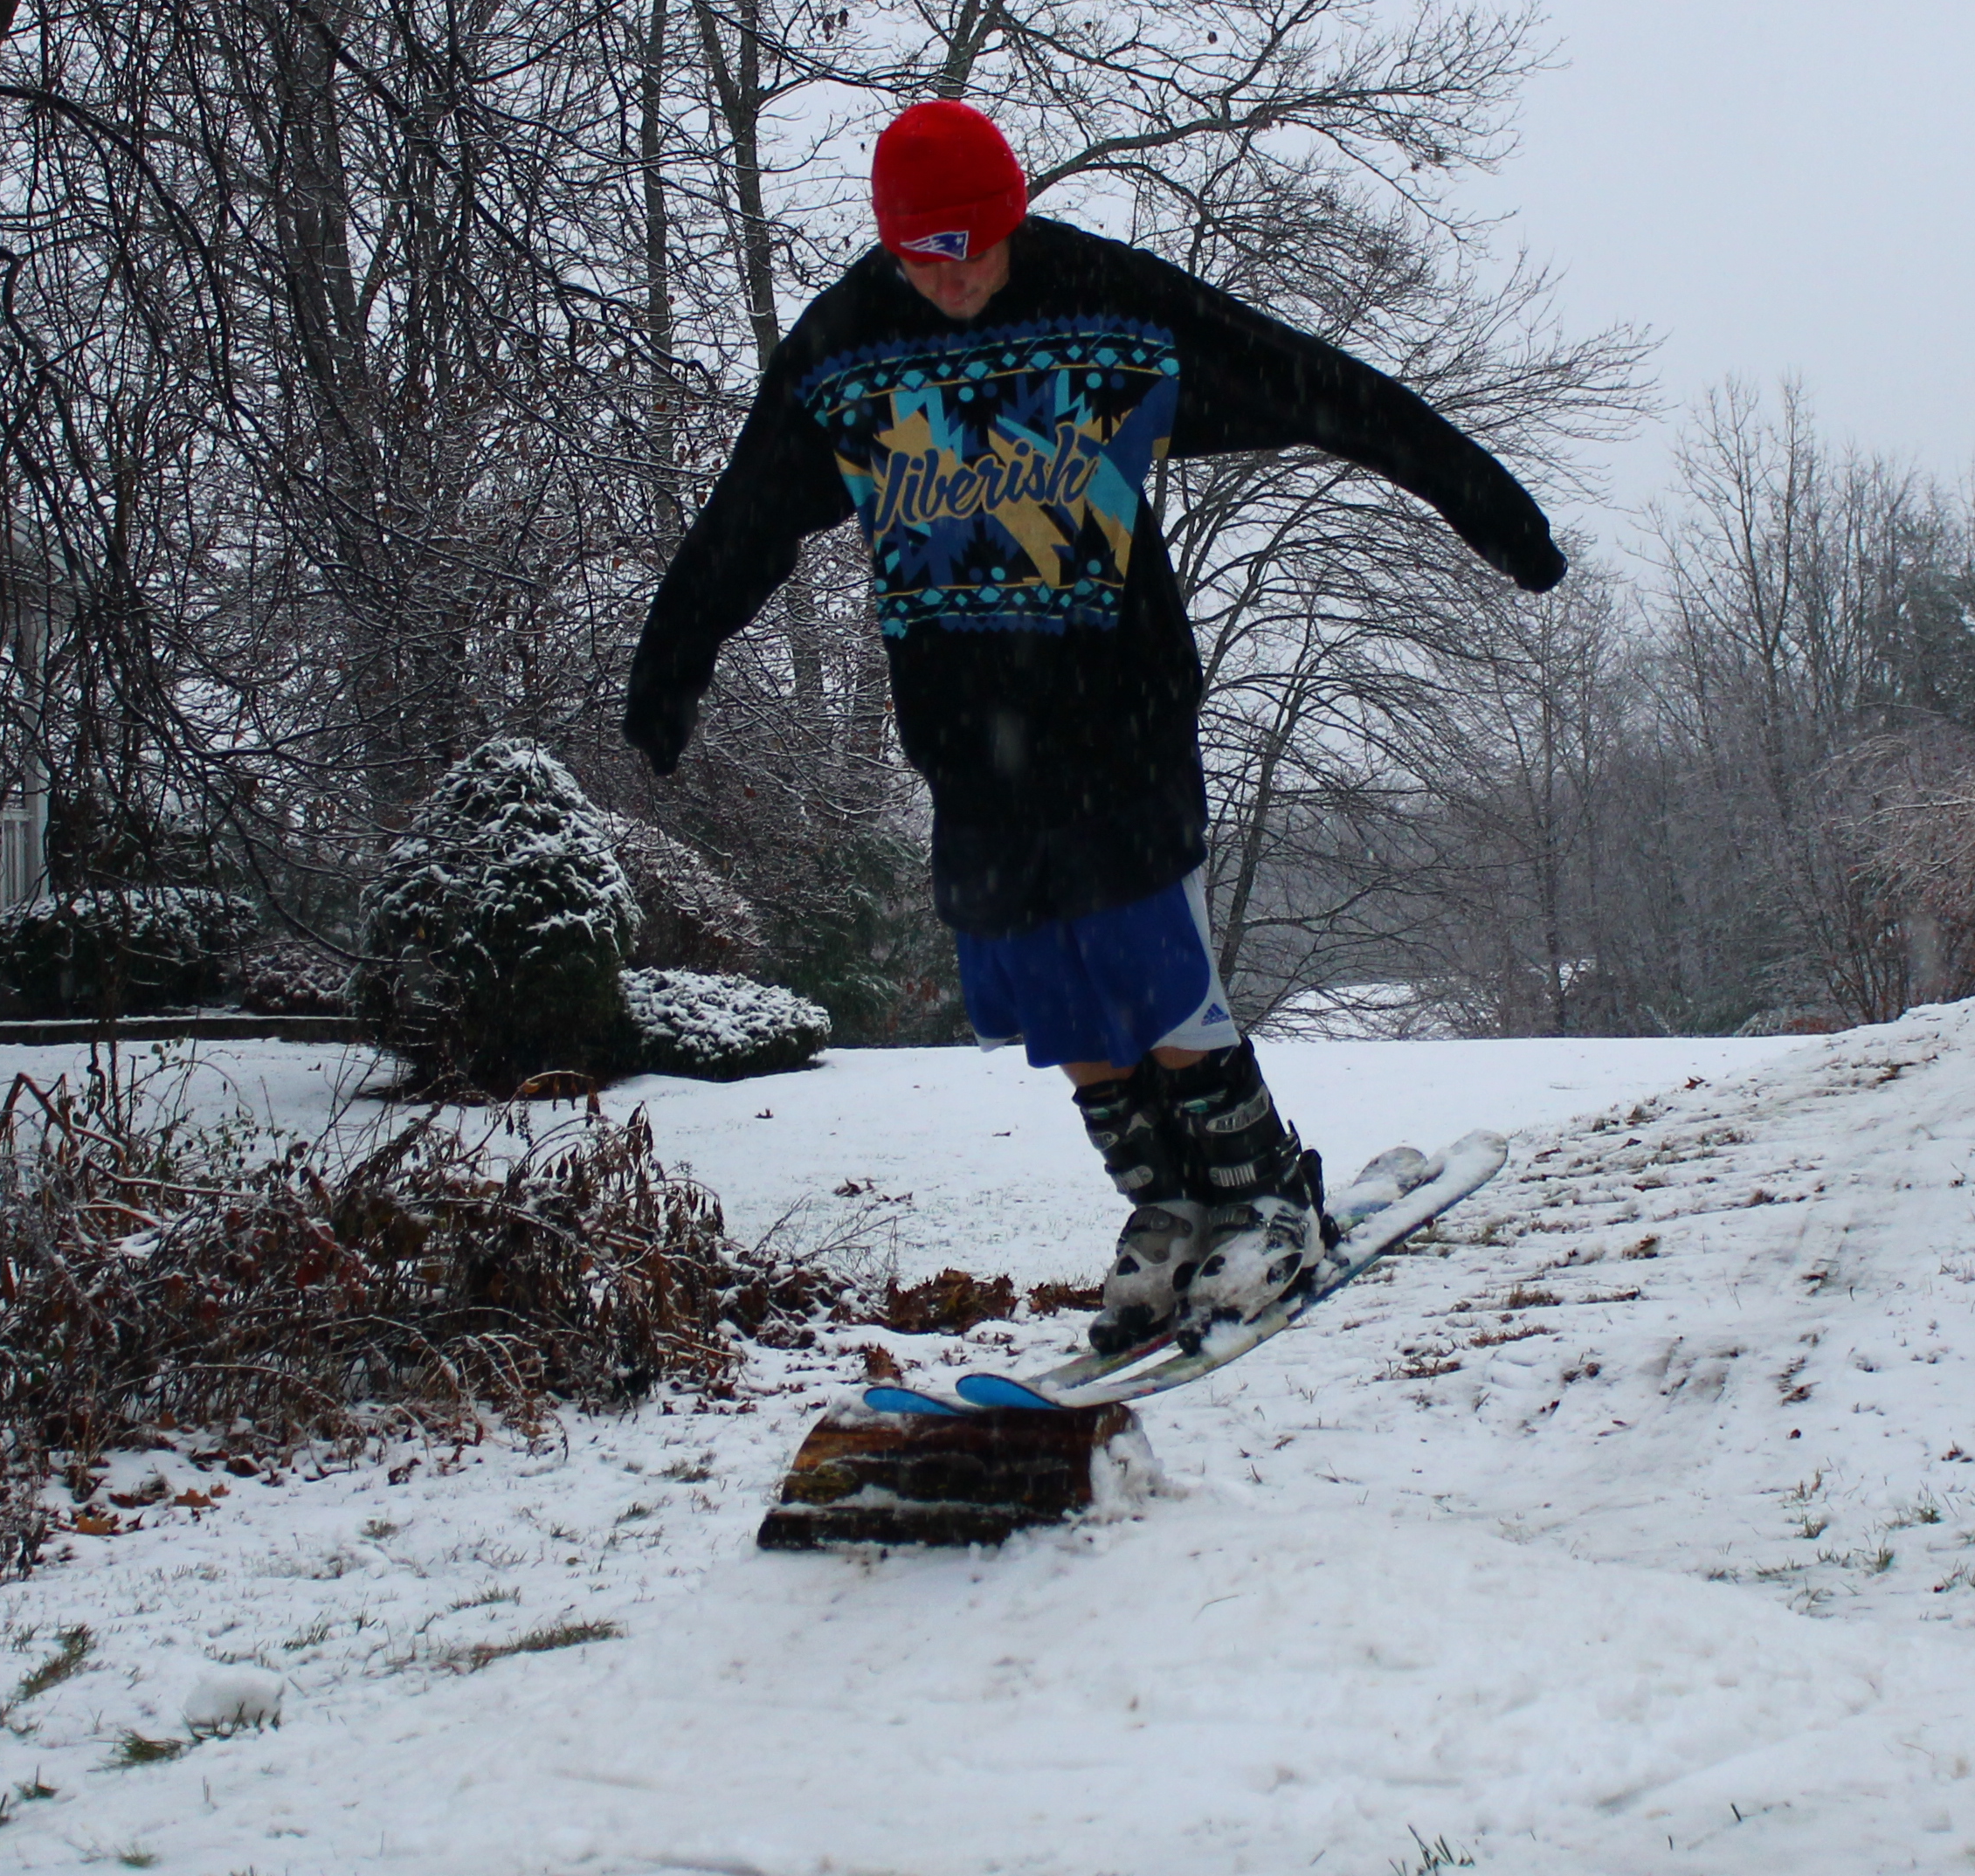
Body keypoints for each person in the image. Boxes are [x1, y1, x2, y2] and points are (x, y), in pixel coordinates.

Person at [624, 99, 1564, 1358]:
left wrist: (1485, 507)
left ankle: (1265, 1196)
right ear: (890, 247)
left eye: (973, 245)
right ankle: (1170, 1210)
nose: (952, 277)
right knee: (1048, 1001)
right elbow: (746, 515)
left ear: (1014, 220)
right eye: (924, 255)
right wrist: (671, 665)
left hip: (1117, 717)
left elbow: (1314, 385)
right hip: (966, 748)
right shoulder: (844, 352)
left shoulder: (1104, 307)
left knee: (1151, 970)